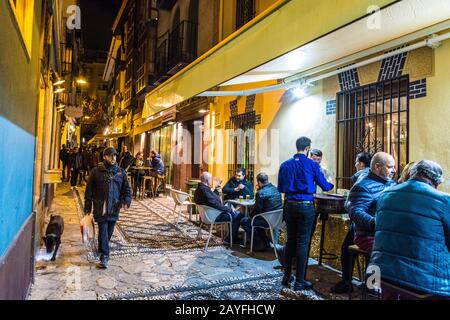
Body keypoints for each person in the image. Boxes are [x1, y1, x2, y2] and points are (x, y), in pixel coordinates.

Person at [370, 160, 450, 299]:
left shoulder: (385, 194)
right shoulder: (443, 200)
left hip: (381, 271)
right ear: (436, 182)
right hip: (422, 280)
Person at [278, 137, 334, 291]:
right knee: (302, 242)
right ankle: (299, 281)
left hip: (289, 205)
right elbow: (325, 186)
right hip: (306, 206)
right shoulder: (312, 164)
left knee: (290, 241)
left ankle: (286, 275)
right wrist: (331, 184)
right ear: (308, 148)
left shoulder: (285, 165)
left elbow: (281, 188)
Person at [330, 151, 372, 293]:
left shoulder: (359, 177)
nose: (354, 165)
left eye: (355, 162)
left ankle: (347, 283)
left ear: (361, 164)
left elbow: (353, 204)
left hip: (362, 225)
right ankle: (370, 285)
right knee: (371, 255)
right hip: (376, 226)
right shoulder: (381, 179)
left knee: (346, 250)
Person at [84, 147, 132, 269]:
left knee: (108, 232)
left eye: (115, 156)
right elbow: (88, 191)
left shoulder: (120, 172)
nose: (113, 158)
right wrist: (87, 208)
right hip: (101, 207)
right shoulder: (96, 172)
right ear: (105, 157)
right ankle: (104, 256)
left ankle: (102, 247)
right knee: (103, 231)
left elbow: (126, 189)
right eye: (110, 155)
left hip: (114, 208)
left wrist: (127, 200)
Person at [347, 152, 396, 256]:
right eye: (390, 167)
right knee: (390, 254)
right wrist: (377, 224)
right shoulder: (362, 186)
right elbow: (355, 212)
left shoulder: (391, 183)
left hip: (386, 233)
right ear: (377, 166)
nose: (394, 171)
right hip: (369, 236)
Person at [194, 172, 242, 244]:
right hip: (213, 216)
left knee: (232, 212)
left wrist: (215, 189)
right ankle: (231, 239)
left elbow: (214, 201)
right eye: (211, 179)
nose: (211, 181)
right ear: (207, 180)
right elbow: (216, 204)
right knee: (238, 214)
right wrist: (230, 209)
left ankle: (230, 236)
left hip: (207, 215)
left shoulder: (200, 189)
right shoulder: (205, 190)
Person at [240, 172, 282, 251]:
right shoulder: (276, 189)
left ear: (259, 182)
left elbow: (257, 211)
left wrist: (250, 215)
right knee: (256, 220)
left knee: (244, 221)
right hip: (277, 219)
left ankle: (258, 243)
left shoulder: (261, 193)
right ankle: (265, 243)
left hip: (266, 221)